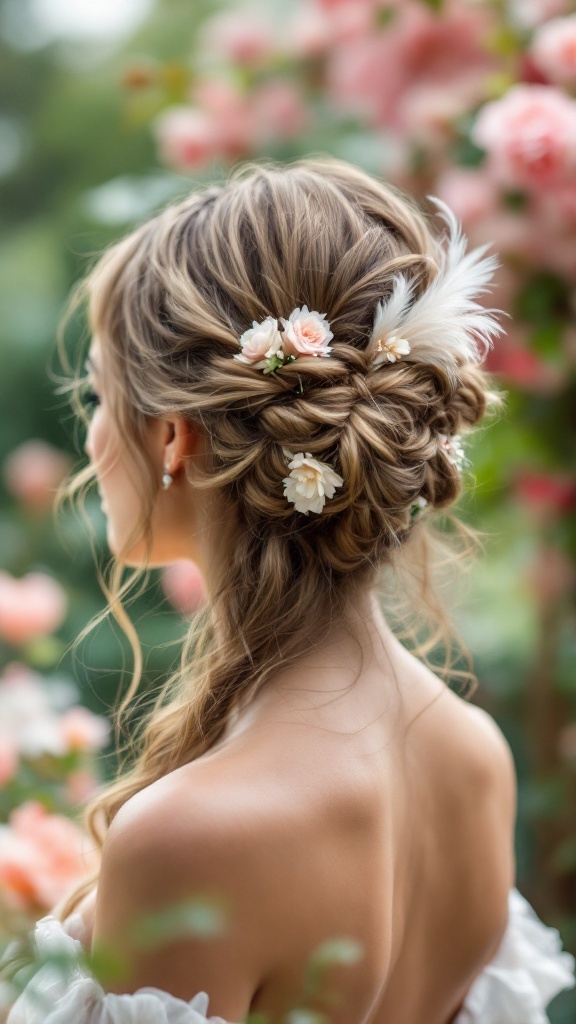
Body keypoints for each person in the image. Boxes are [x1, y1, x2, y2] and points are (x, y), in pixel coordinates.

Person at [2, 156, 575, 1024]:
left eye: (98, 392)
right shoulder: (476, 759)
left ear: (170, 438)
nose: (89, 442)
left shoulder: (191, 840)